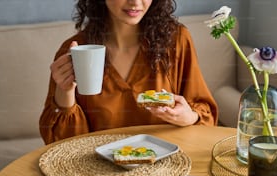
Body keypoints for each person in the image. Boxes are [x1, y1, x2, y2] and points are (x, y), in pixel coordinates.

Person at [39, 0, 218, 144]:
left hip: (164, 168)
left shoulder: (177, 40)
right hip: (97, 173)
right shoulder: (76, 51)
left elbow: (205, 116)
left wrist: (189, 117)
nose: (135, 2)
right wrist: (65, 90)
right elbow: (62, 144)